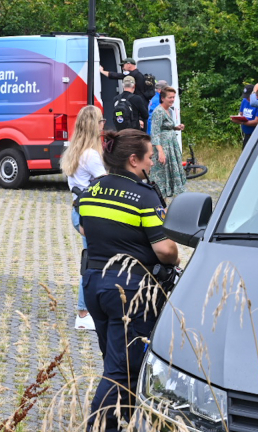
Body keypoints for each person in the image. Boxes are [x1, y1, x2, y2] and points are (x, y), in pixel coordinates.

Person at [79, 128, 180, 432]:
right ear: (134, 160)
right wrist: (176, 254)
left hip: (94, 284)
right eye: (149, 158)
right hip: (129, 293)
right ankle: (102, 427)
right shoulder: (144, 195)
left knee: (114, 362)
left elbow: (84, 229)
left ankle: (121, 422)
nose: (152, 164)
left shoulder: (91, 189)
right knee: (123, 371)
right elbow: (164, 249)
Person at [60, 105, 107, 330]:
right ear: (92, 125)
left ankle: (88, 310)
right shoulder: (91, 155)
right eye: (100, 121)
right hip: (91, 215)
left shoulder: (74, 150)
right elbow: (105, 183)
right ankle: (83, 313)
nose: (103, 124)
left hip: (79, 212)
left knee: (91, 260)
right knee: (92, 264)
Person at [149, 86, 186, 197]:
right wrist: (160, 151)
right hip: (163, 146)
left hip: (171, 145)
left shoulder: (169, 110)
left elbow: (165, 126)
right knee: (161, 173)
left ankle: (171, 193)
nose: (172, 99)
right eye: (170, 97)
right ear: (163, 98)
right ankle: (160, 199)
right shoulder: (158, 111)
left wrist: (176, 127)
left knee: (171, 170)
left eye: (173, 97)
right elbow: (155, 132)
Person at [231, 84, 258, 149]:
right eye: (245, 96)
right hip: (247, 134)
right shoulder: (245, 101)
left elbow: (257, 122)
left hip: (256, 135)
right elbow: (241, 113)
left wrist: (242, 123)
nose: (247, 98)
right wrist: (237, 118)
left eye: (248, 96)